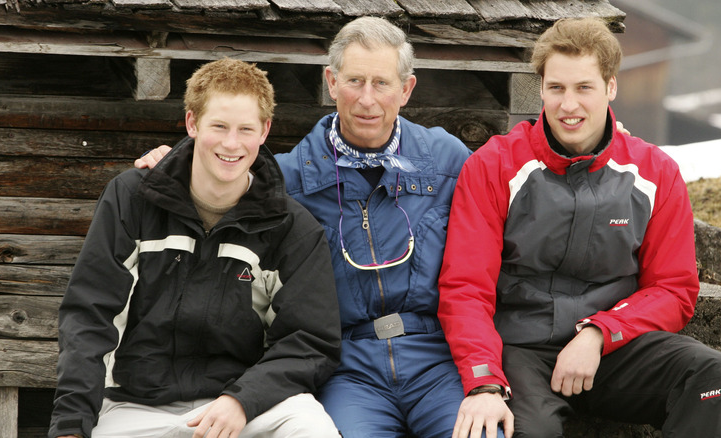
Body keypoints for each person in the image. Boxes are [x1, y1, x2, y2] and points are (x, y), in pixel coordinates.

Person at [137, 16, 500, 438]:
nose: (367, 99)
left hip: (437, 358)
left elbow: (512, 175)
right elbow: (218, 178)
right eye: (354, 81)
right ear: (331, 82)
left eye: (382, 83)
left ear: (406, 89)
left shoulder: (446, 160)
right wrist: (174, 163)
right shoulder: (286, 179)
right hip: (347, 367)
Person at [438, 17, 721, 438]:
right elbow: (466, 288)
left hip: (614, 348)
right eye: (556, 88)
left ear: (610, 87)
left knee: (711, 377)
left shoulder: (654, 172)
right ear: (541, 88)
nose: (569, 105)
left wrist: (600, 333)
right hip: (520, 350)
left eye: (584, 88)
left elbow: (674, 288)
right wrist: (483, 379)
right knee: (521, 431)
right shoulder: (494, 166)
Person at [49, 58, 341, 438]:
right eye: (218, 126)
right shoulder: (132, 198)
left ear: (265, 131)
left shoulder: (291, 227)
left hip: (246, 405)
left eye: (245, 129)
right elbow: (90, 316)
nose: (231, 143)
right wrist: (71, 426)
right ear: (192, 123)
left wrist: (243, 400)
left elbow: (310, 341)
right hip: (134, 404)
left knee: (311, 428)